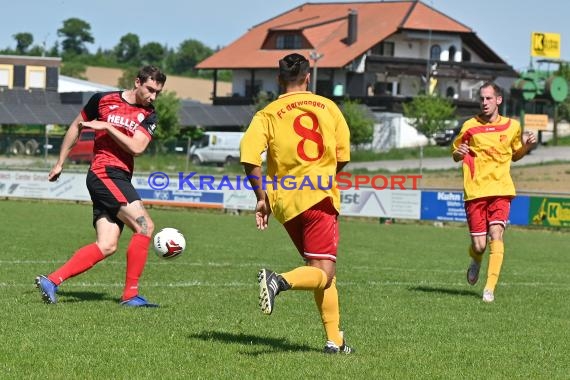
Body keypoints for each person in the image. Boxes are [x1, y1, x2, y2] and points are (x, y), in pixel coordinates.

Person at [240, 53, 353, 354]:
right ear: (308, 78)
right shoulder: (329, 107)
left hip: (286, 203)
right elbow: (342, 157)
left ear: (279, 79)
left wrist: (261, 198)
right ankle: (278, 281)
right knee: (324, 272)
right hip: (319, 198)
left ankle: (335, 341)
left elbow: (250, 159)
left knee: (320, 271)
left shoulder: (267, 113)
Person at [36, 65, 167, 307]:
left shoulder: (149, 115)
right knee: (145, 226)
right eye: (150, 90)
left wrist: (107, 127)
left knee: (107, 245)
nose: (153, 97)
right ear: (137, 82)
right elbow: (76, 126)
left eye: (158, 92)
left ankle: (51, 281)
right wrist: (59, 162)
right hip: (105, 173)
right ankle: (130, 295)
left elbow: (137, 148)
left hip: (118, 177)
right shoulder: (102, 100)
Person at [452, 81, 536, 303]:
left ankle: (489, 289)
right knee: (479, 245)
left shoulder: (512, 126)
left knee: (496, 234)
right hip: (476, 191)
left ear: (499, 100)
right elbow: (456, 152)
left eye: (488, 98)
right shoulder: (469, 126)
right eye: (481, 98)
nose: (484, 102)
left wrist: (526, 147)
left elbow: (515, 155)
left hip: (501, 189)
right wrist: (459, 153)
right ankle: (475, 260)